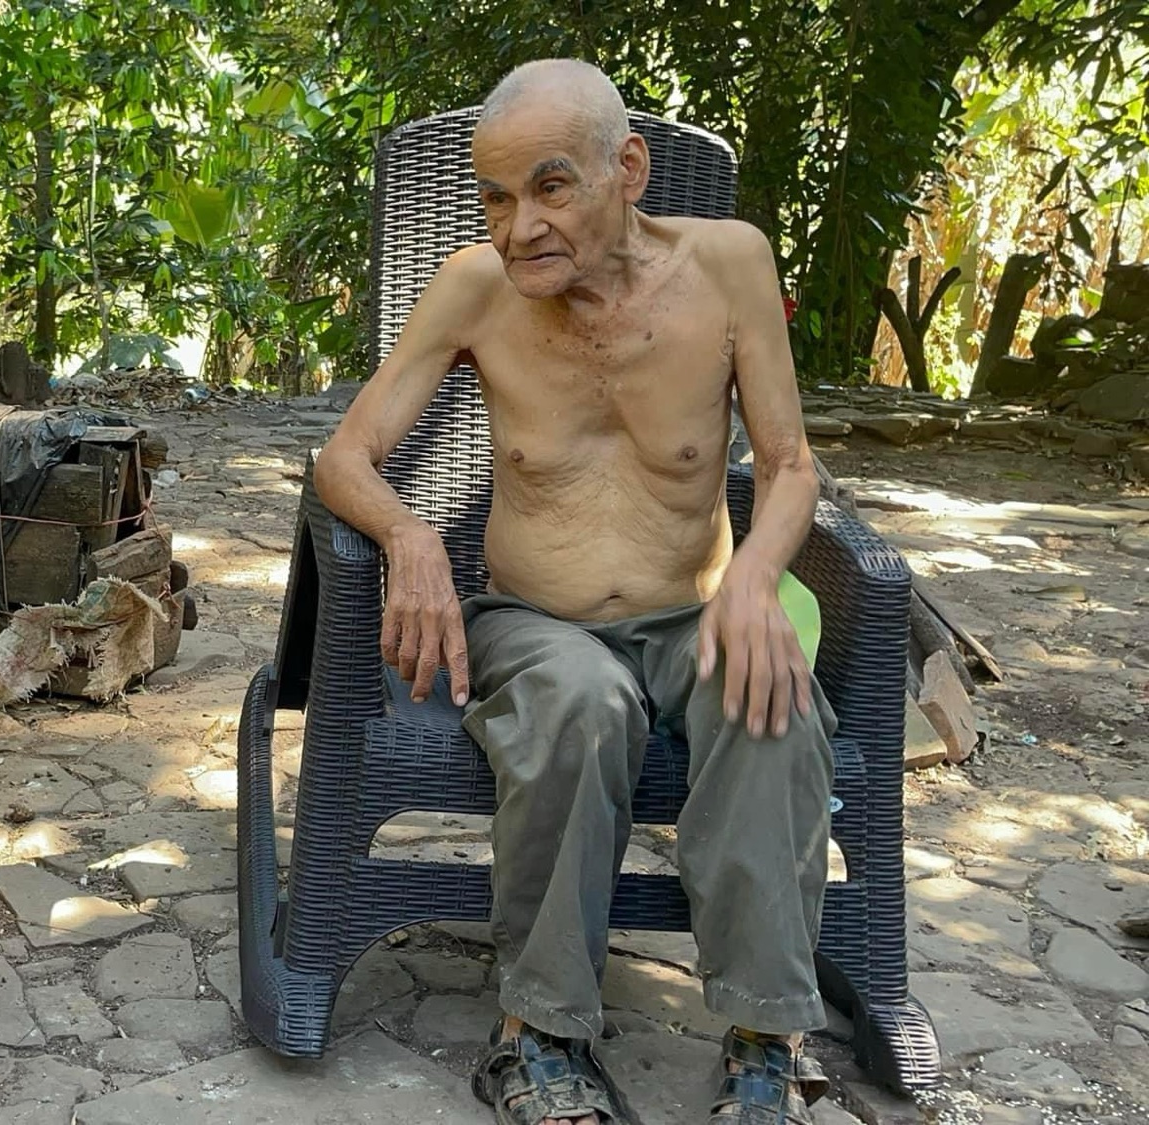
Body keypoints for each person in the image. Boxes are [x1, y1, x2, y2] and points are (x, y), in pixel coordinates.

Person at [313, 60, 835, 1125]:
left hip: (691, 613)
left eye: (549, 187)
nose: (519, 229)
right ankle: (538, 1032)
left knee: (771, 703)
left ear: (626, 170)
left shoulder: (729, 266)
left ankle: (764, 1038)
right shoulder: (473, 286)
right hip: (533, 623)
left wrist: (754, 577)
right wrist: (410, 535)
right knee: (580, 705)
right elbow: (344, 457)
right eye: (496, 200)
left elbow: (789, 465)